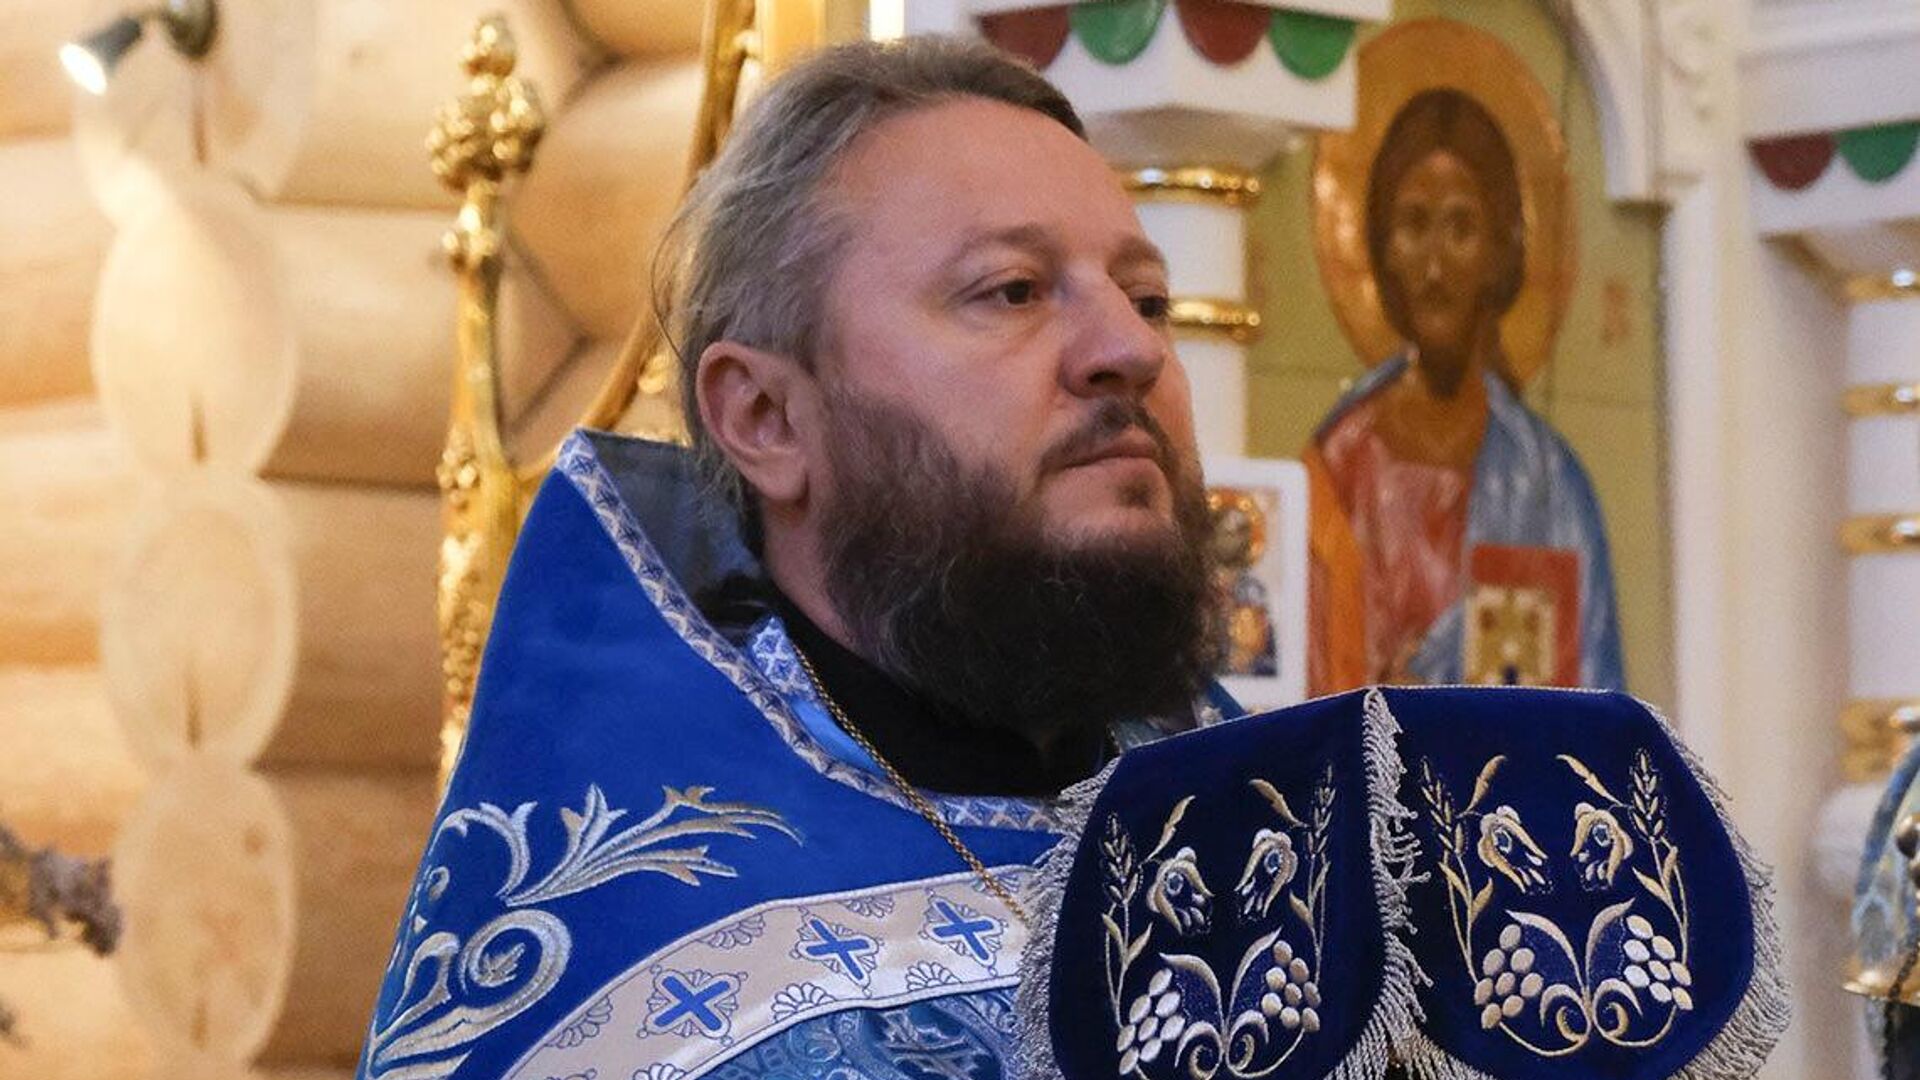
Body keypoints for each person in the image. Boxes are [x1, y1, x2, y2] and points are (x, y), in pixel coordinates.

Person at [355, 37, 1232, 1080]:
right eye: (1012, 291)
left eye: (1147, 300)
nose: (1131, 351)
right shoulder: (643, 987)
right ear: (766, 417)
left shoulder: (1258, 819)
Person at [1306, 89, 1623, 696]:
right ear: (1381, 247)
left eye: (1461, 227)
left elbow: (1596, 706)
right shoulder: (1337, 472)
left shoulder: (1548, 485)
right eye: (1413, 224)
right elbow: (1294, 695)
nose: (1434, 266)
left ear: (1499, 253)